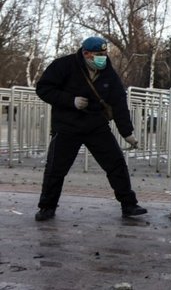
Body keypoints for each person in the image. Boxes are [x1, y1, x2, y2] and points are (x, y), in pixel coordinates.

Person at [34, 37, 147, 221]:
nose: (102, 58)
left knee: (116, 163)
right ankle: (47, 207)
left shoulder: (108, 72)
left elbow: (119, 103)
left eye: (104, 54)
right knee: (56, 168)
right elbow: (43, 89)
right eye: (98, 55)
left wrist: (127, 134)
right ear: (86, 53)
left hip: (96, 126)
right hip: (67, 126)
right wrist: (70, 101)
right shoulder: (64, 65)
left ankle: (129, 205)